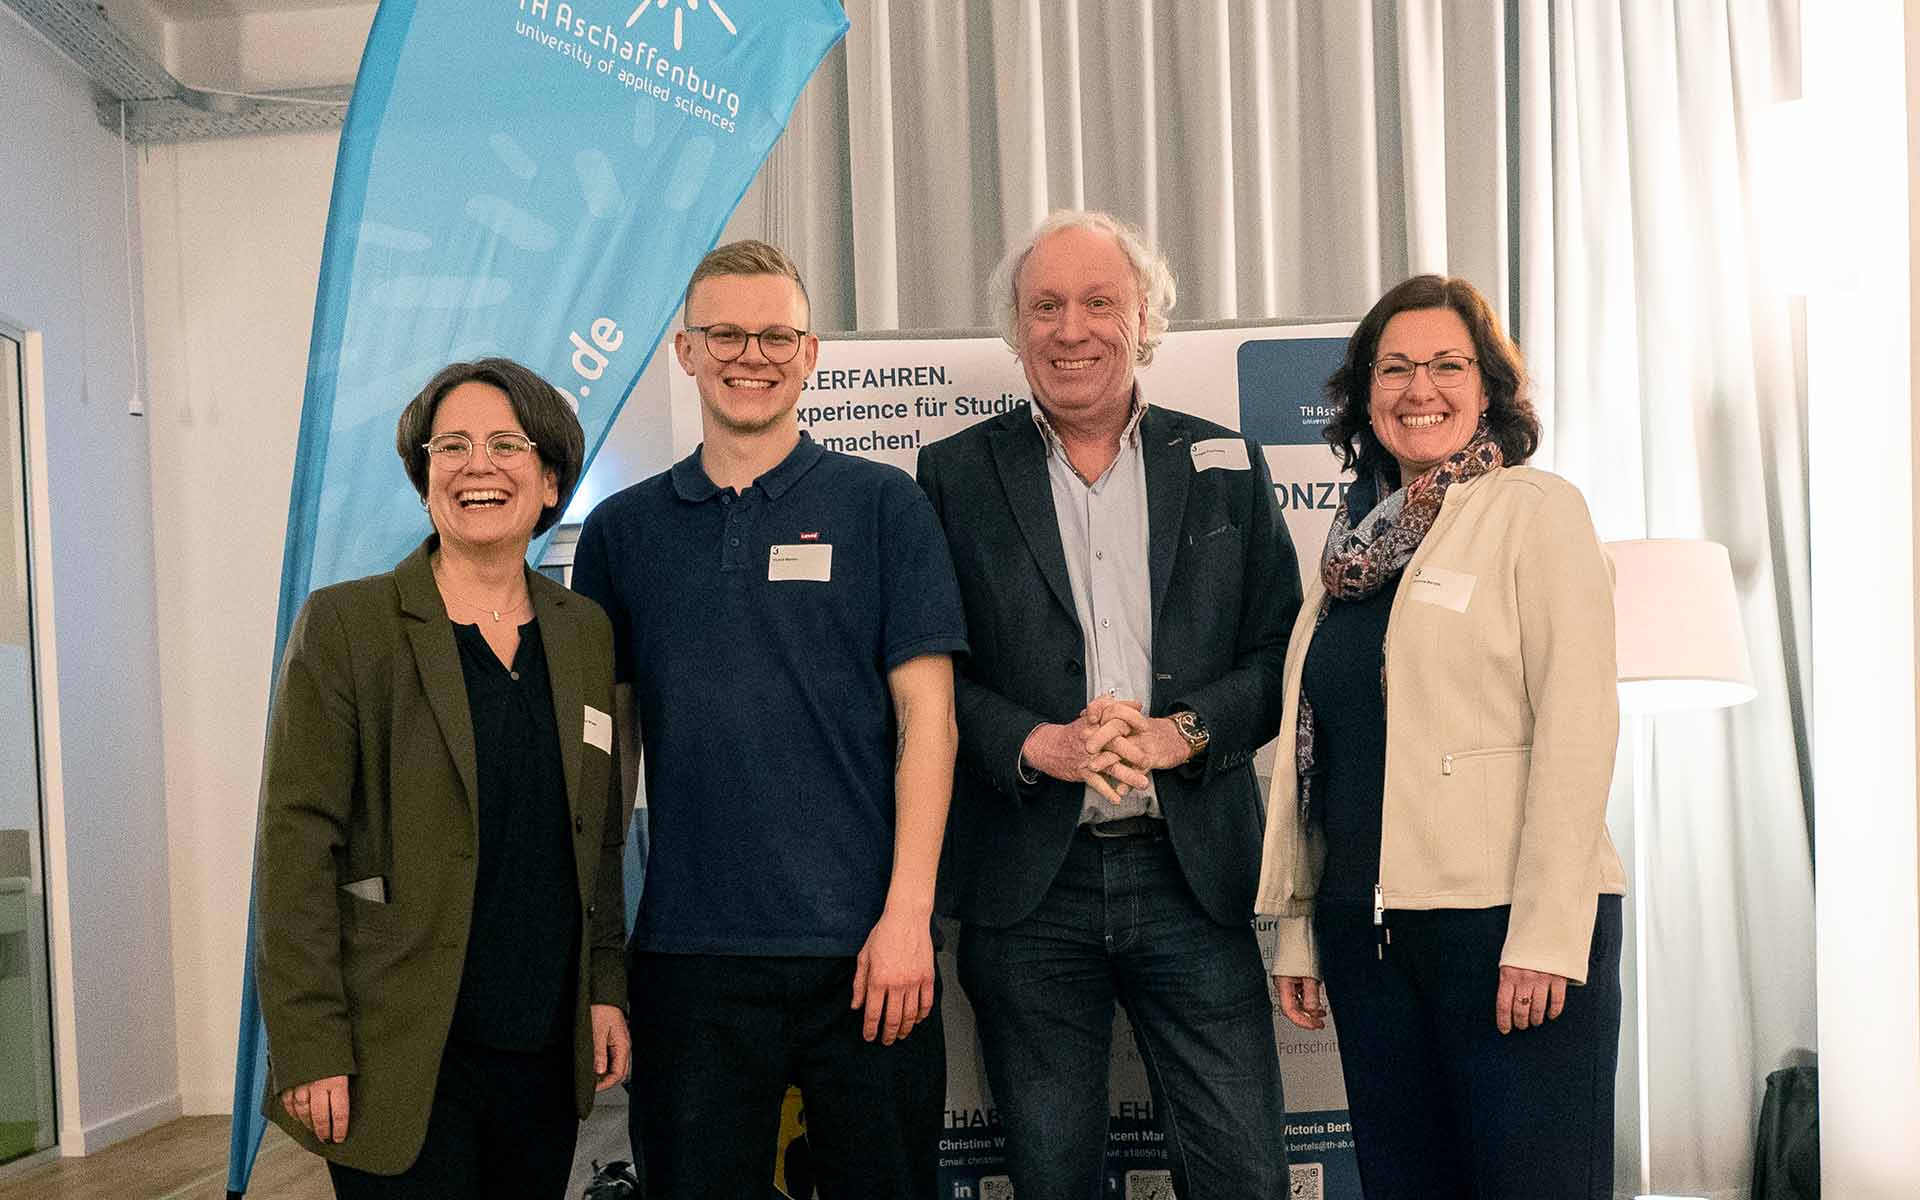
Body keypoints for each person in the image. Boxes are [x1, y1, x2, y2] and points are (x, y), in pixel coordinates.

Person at [916, 210, 1300, 1200]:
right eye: (1045, 305)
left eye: (1098, 302)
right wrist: (1033, 742)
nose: (1070, 329)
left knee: (1246, 1177)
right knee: (1052, 1181)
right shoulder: (953, 475)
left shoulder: (1222, 465)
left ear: (1144, 318)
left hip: (1194, 876)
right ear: (1016, 325)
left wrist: (1185, 734)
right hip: (1027, 888)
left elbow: (1278, 659)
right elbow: (927, 675)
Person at [570, 239, 966, 1200]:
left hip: (867, 954)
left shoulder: (886, 507)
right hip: (689, 958)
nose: (753, 356)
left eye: (776, 336)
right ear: (686, 351)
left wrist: (908, 916)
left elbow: (932, 724)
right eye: (727, 334)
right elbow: (608, 761)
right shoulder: (622, 533)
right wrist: (599, 962)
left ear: (811, 352)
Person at [1256, 274, 1626, 1199]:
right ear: (1363, 395)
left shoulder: (1535, 511)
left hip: (1505, 929)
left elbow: (1579, 725)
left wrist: (1546, 934)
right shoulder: (1351, 548)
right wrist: (1301, 931)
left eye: (1447, 365)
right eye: (1395, 368)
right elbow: (1325, 758)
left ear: (1489, 387)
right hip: (1369, 937)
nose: (1421, 389)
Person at [254, 357, 632, 1197]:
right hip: (400, 1044)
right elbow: (295, 849)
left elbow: (598, 834)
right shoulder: (349, 626)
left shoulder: (583, 633)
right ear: (424, 476)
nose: (477, 465)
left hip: (540, 1041)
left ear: (548, 477)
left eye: (505, 443)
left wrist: (604, 988)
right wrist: (311, 1044)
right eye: (451, 445)